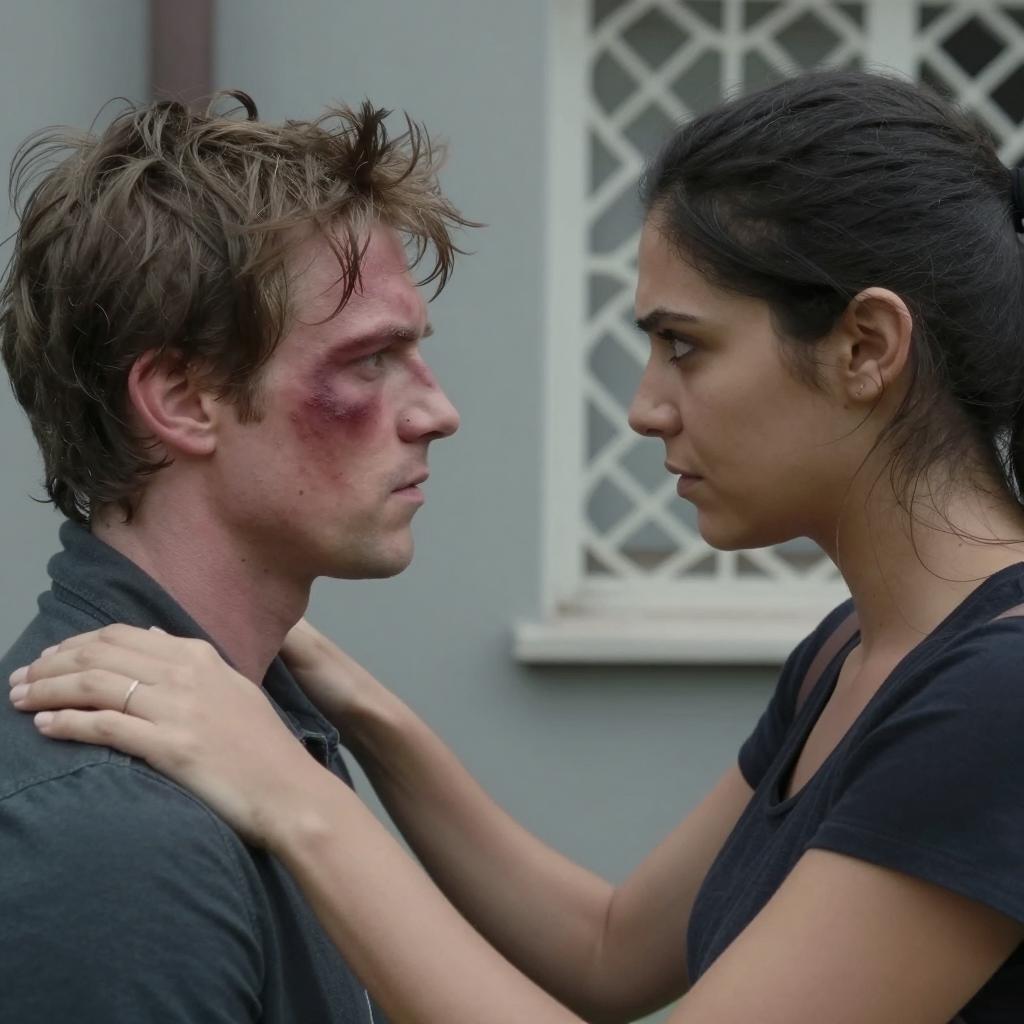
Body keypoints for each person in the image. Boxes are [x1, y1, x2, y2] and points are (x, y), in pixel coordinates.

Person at [11, 67, 1024, 1023]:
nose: (643, 407)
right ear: (181, 399)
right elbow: (608, 950)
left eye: (684, 344)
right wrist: (352, 710)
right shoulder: (851, 655)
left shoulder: (999, 692)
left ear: (866, 348)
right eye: (370, 360)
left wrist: (294, 794)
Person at [0, 91, 469, 1022]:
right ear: (182, 399)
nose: (437, 412)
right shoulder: (114, 838)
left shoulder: (257, 733)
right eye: (370, 360)